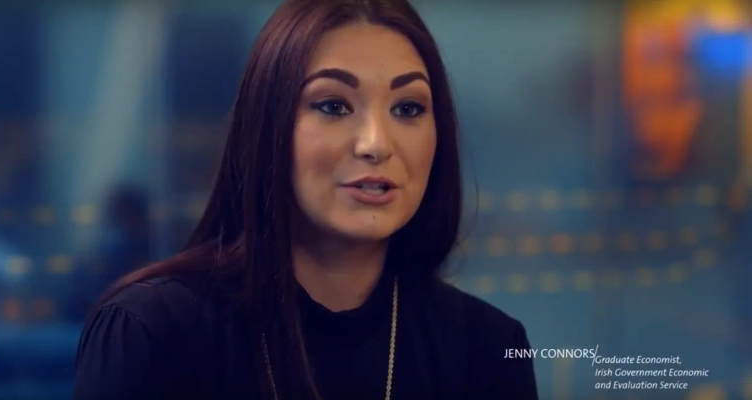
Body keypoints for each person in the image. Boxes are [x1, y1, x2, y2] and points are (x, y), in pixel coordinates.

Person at [72, 0, 539, 399]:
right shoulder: (152, 333)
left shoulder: (488, 348)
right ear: (268, 126)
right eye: (333, 106)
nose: (376, 143)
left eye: (408, 108)